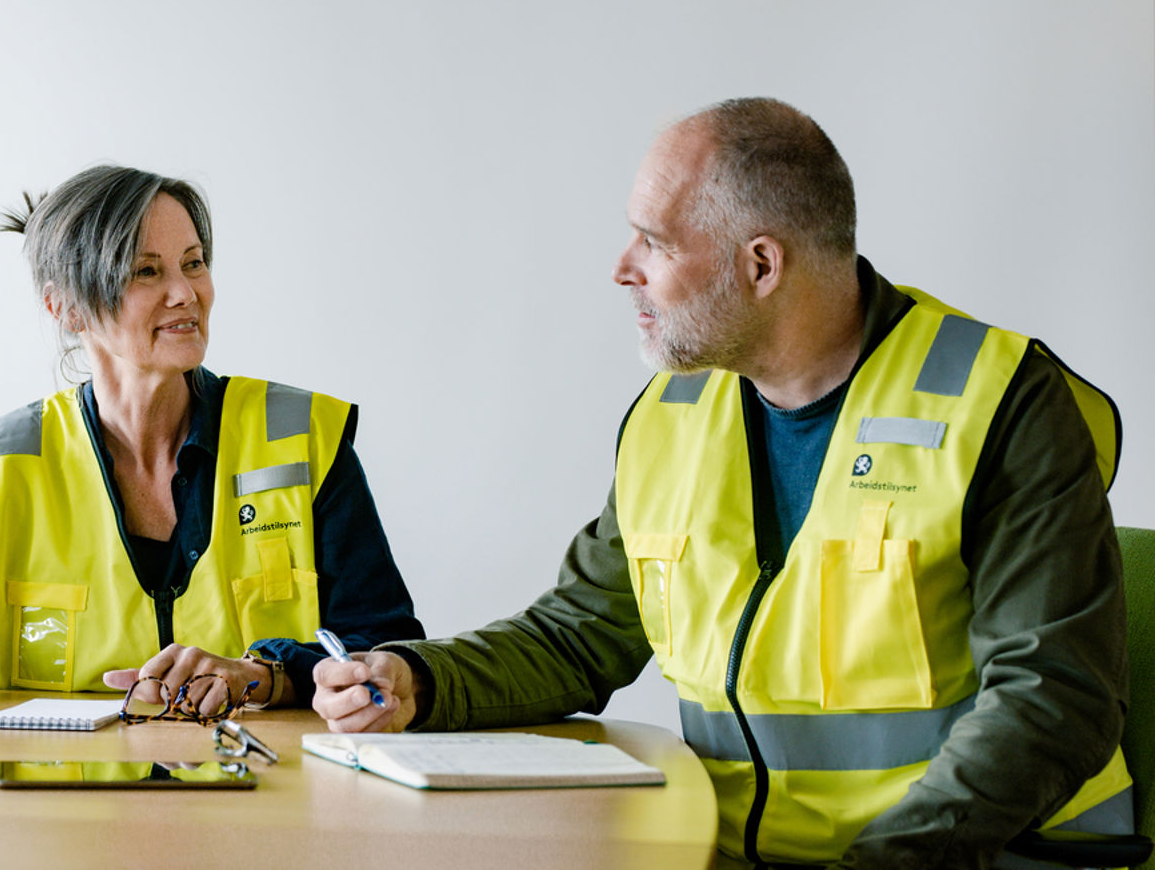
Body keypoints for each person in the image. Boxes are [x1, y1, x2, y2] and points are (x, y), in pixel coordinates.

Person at [312, 98, 1134, 868]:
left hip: (988, 855)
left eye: (654, 241)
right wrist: (418, 680)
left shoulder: (1000, 401)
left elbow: (1049, 699)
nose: (621, 268)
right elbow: (580, 634)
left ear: (762, 265)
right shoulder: (674, 412)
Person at [0, 164, 424, 723]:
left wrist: (264, 676)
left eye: (194, 262)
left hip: (277, 812)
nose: (186, 292)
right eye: (146, 271)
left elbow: (387, 648)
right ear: (65, 308)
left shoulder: (302, 437)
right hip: (61, 823)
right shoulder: (6, 465)